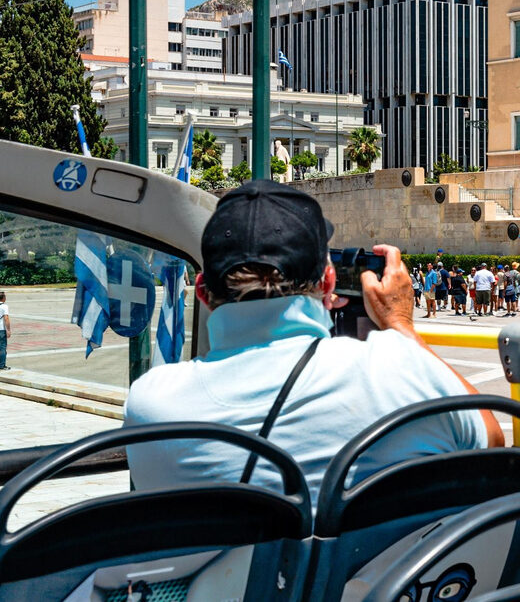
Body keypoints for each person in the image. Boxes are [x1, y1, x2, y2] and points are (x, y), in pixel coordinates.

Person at [124, 181, 503, 509]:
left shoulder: (151, 403)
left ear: (203, 293)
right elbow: (491, 442)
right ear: (327, 283)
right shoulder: (398, 369)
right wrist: (401, 326)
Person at [0, 292, 11, 371]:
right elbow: (6, 318)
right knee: (2, 348)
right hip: (1, 329)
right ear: (3, 298)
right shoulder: (4, 306)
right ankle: (2, 365)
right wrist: (8, 330)